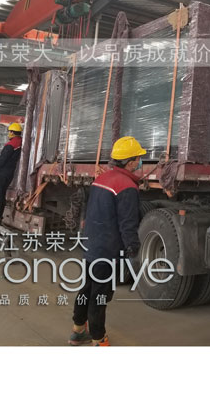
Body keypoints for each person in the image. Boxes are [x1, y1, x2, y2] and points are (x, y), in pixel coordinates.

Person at [69, 136, 145, 346]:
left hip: (91, 244)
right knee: (100, 296)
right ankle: (98, 338)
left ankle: (77, 330)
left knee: (86, 288)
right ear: (130, 162)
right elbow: (128, 223)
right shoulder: (127, 186)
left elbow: (90, 211)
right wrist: (133, 249)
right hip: (108, 250)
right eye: (138, 158)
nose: (140, 162)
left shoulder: (101, 179)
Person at [0, 122, 23, 224]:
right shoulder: (20, 143)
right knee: (1, 195)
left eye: (9, 132)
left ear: (12, 132)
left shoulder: (11, 145)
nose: (8, 134)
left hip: (2, 173)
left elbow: (2, 160)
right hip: (10, 173)